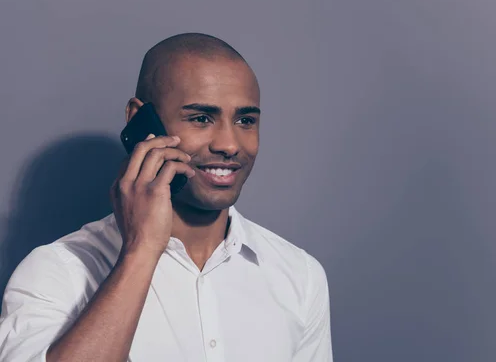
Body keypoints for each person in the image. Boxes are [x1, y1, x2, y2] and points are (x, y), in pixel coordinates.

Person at [0, 33, 333, 362]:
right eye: (201, 118)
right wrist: (141, 250)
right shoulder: (57, 272)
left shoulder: (300, 276)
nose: (230, 145)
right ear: (140, 120)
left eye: (245, 120)